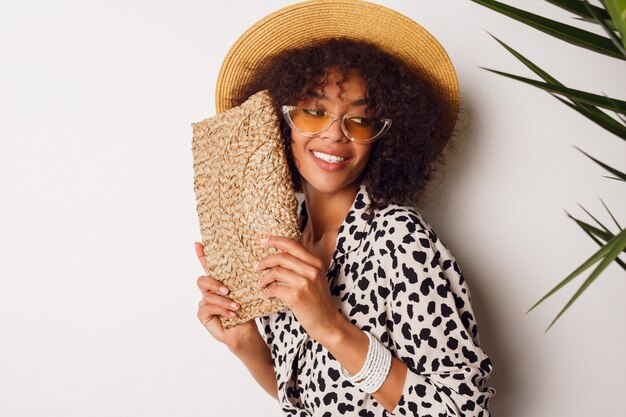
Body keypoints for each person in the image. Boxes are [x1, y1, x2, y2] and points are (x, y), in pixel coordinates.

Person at [195, 1, 496, 415]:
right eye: (315, 112)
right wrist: (245, 344)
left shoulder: (399, 239)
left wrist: (329, 325)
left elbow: (464, 410)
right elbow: (313, 402)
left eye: (360, 119)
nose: (335, 135)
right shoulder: (285, 243)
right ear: (281, 123)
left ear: (383, 136)